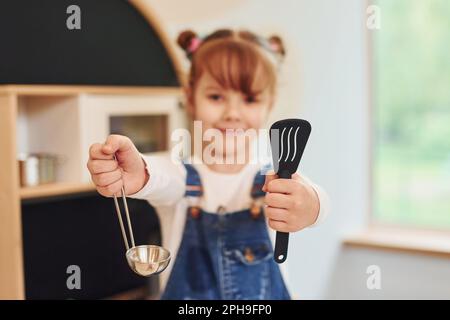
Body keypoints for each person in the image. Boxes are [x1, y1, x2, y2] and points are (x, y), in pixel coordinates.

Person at [87, 29, 329, 299]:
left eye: (249, 99)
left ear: (269, 104)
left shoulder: (274, 176)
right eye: (216, 97)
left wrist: (311, 205)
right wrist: (140, 174)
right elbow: (161, 177)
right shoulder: (181, 174)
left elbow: (316, 198)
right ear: (191, 99)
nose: (232, 114)